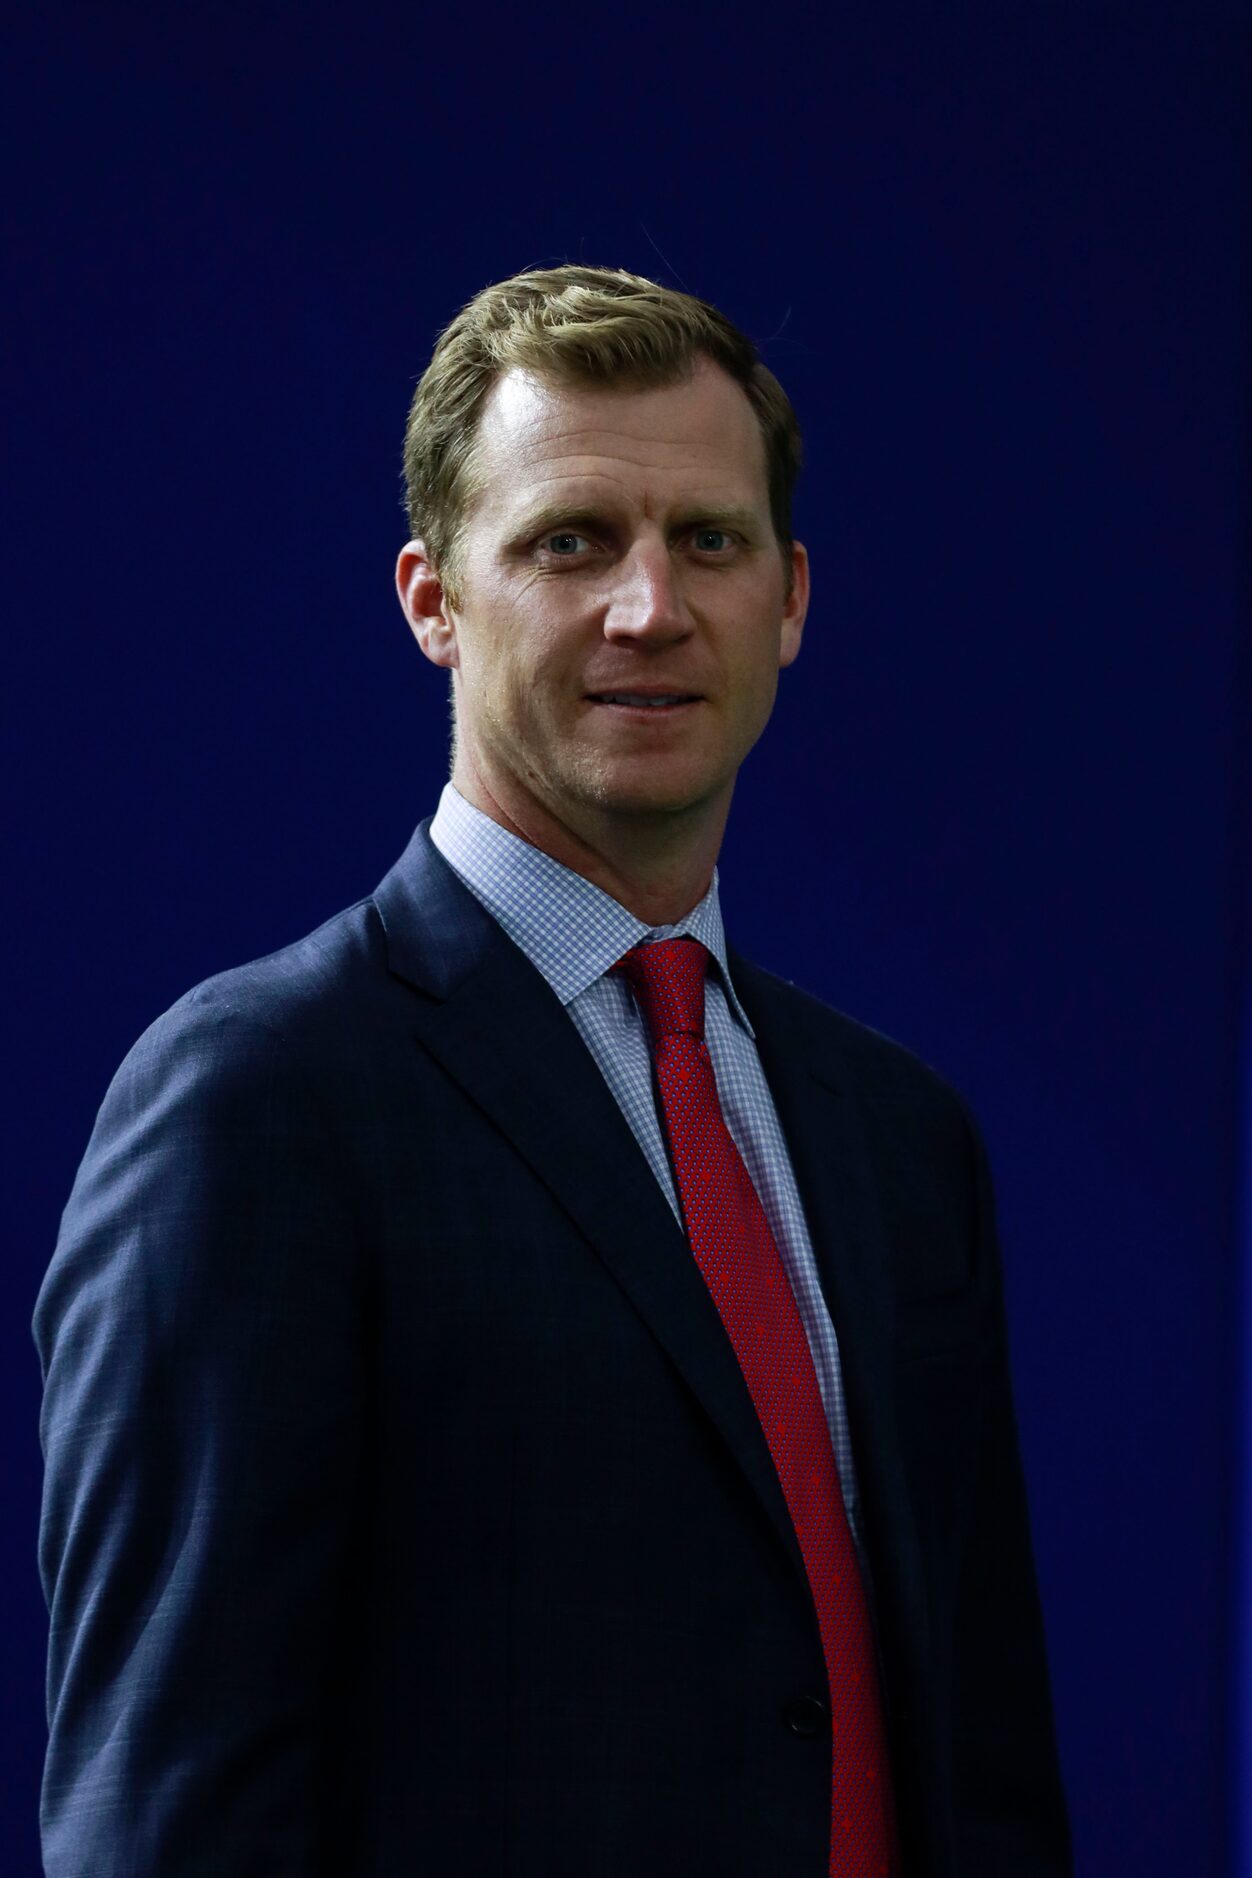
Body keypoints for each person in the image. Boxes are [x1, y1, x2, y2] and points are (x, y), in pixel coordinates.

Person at [33, 263, 1072, 1877]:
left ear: (790, 598)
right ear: (431, 599)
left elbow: (986, 1778)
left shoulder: (900, 1138)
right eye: (570, 541)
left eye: (707, 542)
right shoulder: (259, 1101)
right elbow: (167, 1819)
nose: (649, 607)